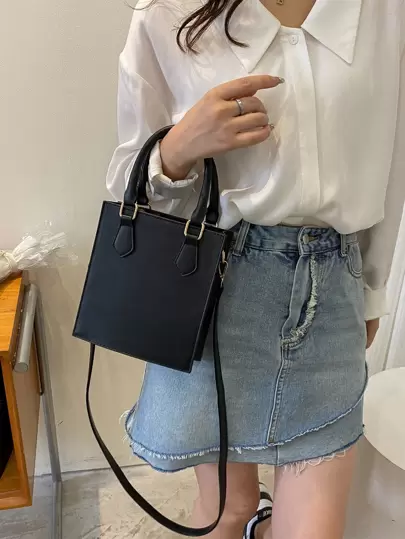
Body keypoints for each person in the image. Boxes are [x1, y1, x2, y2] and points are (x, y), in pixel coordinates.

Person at [106, 0, 405, 537]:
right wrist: (177, 148)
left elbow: (393, 160)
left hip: (331, 287)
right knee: (228, 509)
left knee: (313, 531)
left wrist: (374, 289)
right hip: (212, 291)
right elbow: (126, 174)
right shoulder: (169, 11)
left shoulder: (385, 13)